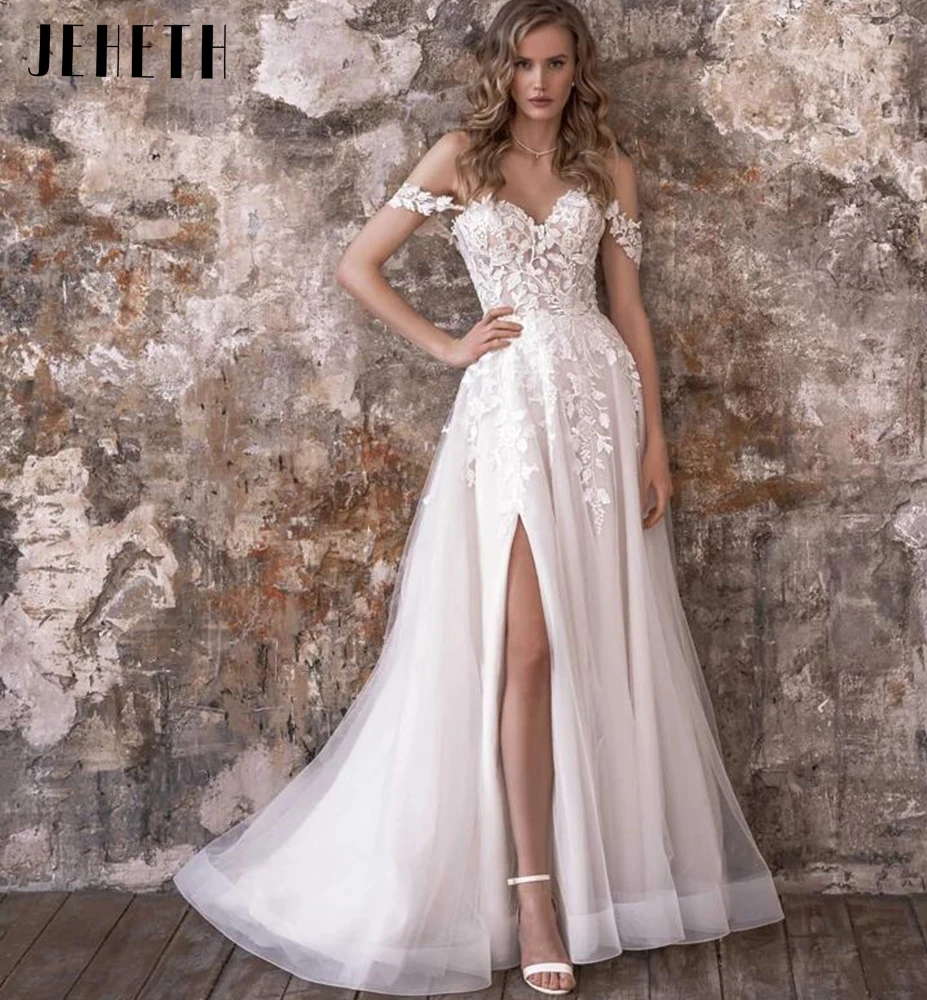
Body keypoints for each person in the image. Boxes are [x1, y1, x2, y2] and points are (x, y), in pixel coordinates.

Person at [172, 0, 786, 996]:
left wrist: (654, 444)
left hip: (596, 411)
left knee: (593, 643)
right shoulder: (460, 156)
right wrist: (449, 346)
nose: (538, 82)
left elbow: (628, 308)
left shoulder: (607, 166)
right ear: (502, 69)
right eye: (524, 64)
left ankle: (596, 878)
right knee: (526, 649)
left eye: (556, 64)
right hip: (507, 416)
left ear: (577, 70)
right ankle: (533, 894)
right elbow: (358, 264)